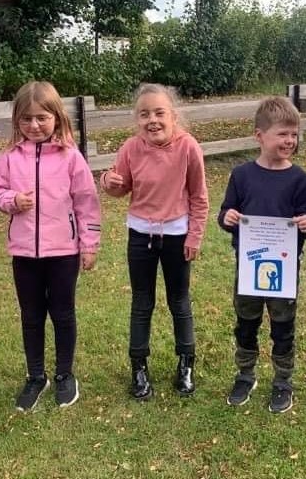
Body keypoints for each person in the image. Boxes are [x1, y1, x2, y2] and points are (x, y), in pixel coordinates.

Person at [0, 81, 101, 412]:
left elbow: (87, 204)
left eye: (41, 118)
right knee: (31, 316)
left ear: (57, 117)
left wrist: (89, 244)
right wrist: (11, 200)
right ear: (17, 121)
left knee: (63, 314)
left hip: (64, 253)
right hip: (24, 254)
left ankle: (65, 374)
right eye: (26, 119)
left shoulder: (71, 158)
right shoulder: (9, 158)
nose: (34, 125)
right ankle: (36, 376)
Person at [101, 83, 208, 399]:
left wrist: (195, 234)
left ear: (173, 116)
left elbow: (199, 197)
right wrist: (109, 182)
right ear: (137, 120)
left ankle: (186, 364)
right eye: (144, 114)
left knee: (179, 300)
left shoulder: (189, 147)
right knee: (142, 301)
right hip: (140, 236)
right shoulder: (131, 148)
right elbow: (119, 187)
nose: (153, 120)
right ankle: (139, 367)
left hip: (177, 235)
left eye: (160, 113)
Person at [218, 97, 306, 413]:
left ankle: (282, 381)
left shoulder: (300, 179)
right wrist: (228, 218)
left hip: (283, 270)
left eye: (294, 134)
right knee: (246, 322)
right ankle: (245, 375)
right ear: (259, 136)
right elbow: (225, 213)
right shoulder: (242, 175)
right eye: (282, 134)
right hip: (249, 267)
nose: (290, 140)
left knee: (283, 325)